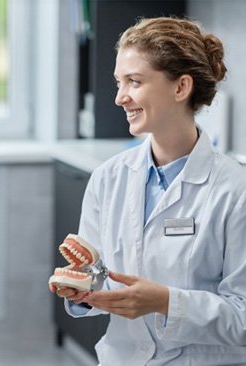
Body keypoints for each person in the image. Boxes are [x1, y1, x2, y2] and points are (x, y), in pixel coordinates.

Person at [50, 17, 246, 365]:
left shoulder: (235, 190)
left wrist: (166, 302)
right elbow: (101, 277)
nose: (120, 97)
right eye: (118, 82)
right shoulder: (108, 178)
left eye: (134, 82)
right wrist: (83, 291)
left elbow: (243, 318)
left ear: (180, 87)